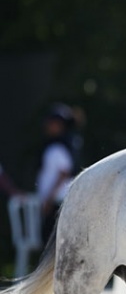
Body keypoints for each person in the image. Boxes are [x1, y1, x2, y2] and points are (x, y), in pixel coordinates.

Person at [36, 103, 82, 244]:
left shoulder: (58, 147)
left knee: (51, 245)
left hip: (57, 203)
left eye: (52, 123)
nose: (48, 126)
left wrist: (49, 199)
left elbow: (64, 173)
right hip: (60, 202)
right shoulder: (67, 144)